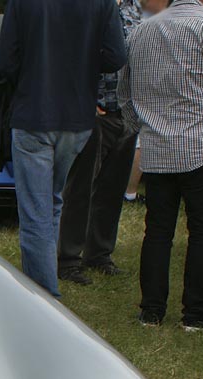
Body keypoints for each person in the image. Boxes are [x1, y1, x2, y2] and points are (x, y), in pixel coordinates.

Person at [119, 0, 203, 330]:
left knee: (157, 230)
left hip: (158, 147)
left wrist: (143, 126)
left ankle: (151, 312)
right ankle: (195, 314)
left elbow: (125, 93)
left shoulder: (141, 32)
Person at [0, 0, 125, 298]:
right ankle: (45, 282)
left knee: (35, 212)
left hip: (33, 113)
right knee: (52, 202)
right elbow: (116, 57)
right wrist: (84, 62)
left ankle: (43, 295)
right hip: (77, 117)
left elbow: (6, 60)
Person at [57, 0, 143, 284]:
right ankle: (68, 259)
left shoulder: (134, 8)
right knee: (80, 188)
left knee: (112, 188)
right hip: (92, 110)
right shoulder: (85, 6)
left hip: (125, 111)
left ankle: (99, 253)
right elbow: (69, 53)